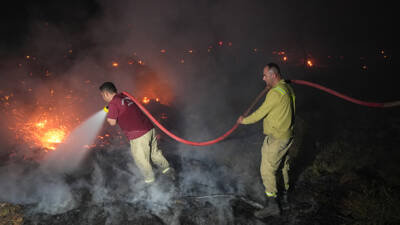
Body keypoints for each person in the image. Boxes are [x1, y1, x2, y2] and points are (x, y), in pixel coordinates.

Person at [237, 63, 295, 218]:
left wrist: (244, 120)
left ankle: (272, 205)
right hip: (287, 136)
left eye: (265, 75)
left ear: (273, 75)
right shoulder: (286, 88)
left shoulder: (276, 93)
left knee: (267, 170)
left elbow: (260, 113)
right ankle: (285, 198)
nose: (263, 78)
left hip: (277, 138)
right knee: (282, 167)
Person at [99, 82, 175, 185]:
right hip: (149, 129)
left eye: (102, 96)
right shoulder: (124, 97)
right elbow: (123, 108)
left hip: (138, 134)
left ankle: (150, 182)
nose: (103, 98)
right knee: (155, 153)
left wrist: (109, 115)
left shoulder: (113, 103)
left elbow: (112, 122)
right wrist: (110, 109)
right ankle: (168, 171)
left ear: (106, 94)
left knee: (141, 159)